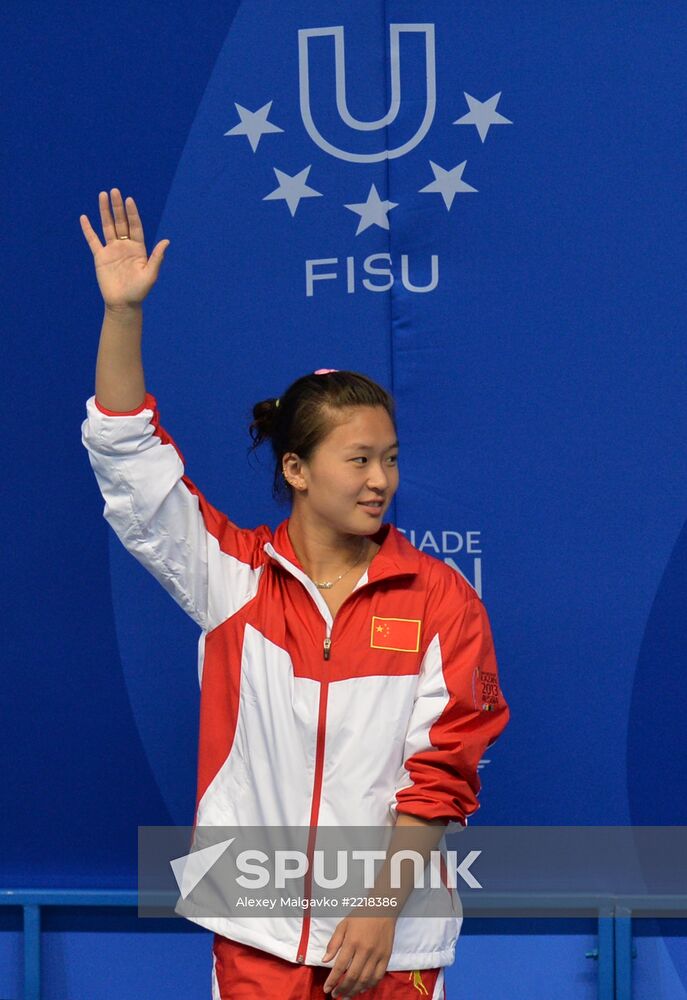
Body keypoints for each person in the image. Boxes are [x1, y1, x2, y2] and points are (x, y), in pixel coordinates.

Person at [79, 189, 510, 999]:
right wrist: (124, 315)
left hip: (393, 940)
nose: (380, 479)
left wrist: (380, 911)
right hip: (258, 930)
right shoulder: (230, 577)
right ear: (296, 470)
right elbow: (129, 458)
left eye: (388, 457)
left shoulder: (440, 599)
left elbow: (443, 769)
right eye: (357, 460)